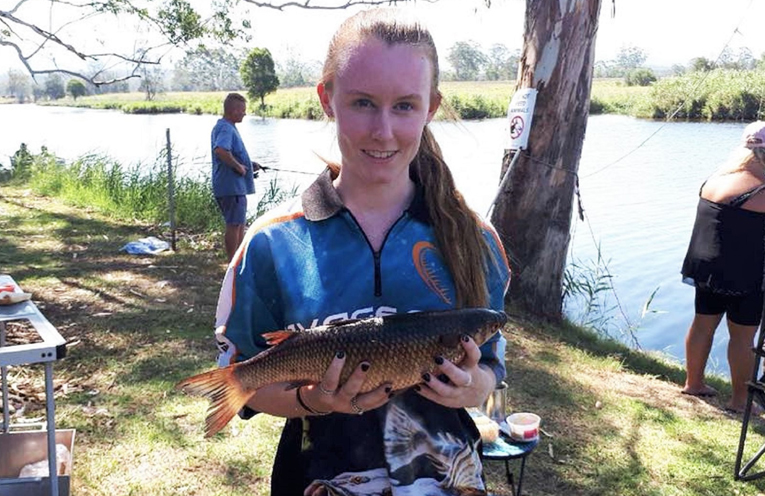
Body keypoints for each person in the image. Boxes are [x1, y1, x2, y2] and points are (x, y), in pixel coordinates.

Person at [212, 8, 511, 496]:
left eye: (405, 106)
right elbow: (249, 382)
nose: (383, 131)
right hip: (319, 480)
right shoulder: (270, 244)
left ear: (431, 106)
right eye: (363, 103)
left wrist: (474, 387)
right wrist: (314, 401)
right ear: (327, 100)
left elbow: (492, 367)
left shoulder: (476, 239)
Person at [681, 121, 765, 413]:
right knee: (743, 336)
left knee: (703, 323)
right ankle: (740, 401)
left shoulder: (716, 179)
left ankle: (694, 383)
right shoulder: (760, 190)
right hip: (745, 274)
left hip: (706, 267)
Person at [211, 92, 259, 262]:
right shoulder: (225, 128)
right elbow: (221, 150)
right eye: (242, 110)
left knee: (239, 223)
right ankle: (233, 263)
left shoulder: (227, 127)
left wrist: (248, 163)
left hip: (233, 187)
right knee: (234, 224)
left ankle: (238, 260)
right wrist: (238, 166)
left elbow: (229, 153)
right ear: (234, 110)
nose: (245, 113)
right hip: (230, 187)